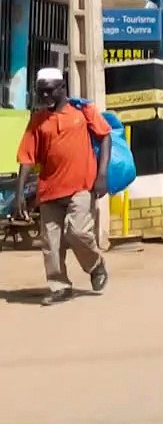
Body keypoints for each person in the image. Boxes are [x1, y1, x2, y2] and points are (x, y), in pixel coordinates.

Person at [14, 68, 111, 306]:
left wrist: (102, 175)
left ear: (62, 87)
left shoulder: (82, 112)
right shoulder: (37, 121)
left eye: (49, 90)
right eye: (40, 91)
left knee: (77, 231)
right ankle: (60, 287)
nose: (44, 95)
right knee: (51, 243)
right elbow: (27, 158)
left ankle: (95, 265)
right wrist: (19, 195)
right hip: (49, 190)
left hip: (81, 185)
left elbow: (105, 136)